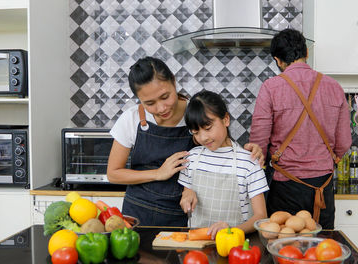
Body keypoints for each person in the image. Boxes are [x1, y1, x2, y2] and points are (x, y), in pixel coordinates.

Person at [107, 57, 264, 227]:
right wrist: (157, 173)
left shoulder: (194, 114)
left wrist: (250, 153)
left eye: (165, 96)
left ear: (174, 81)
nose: (161, 108)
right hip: (137, 212)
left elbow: (221, 144)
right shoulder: (131, 118)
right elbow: (114, 173)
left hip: (180, 213)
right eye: (149, 103)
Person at [249, 29, 352, 229]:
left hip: (285, 186)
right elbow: (344, 142)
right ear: (306, 52)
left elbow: (258, 144)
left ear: (278, 60)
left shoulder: (271, 87)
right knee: (322, 251)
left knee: (285, 251)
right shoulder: (334, 87)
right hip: (323, 186)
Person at [178, 90, 268, 238]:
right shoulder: (192, 157)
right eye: (195, 132)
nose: (203, 137)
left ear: (226, 119)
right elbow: (186, 190)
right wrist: (187, 195)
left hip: (235, 244)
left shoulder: (249, 162)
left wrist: (231, 230)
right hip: (197, 243)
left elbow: (260, 217)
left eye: (208, 128)